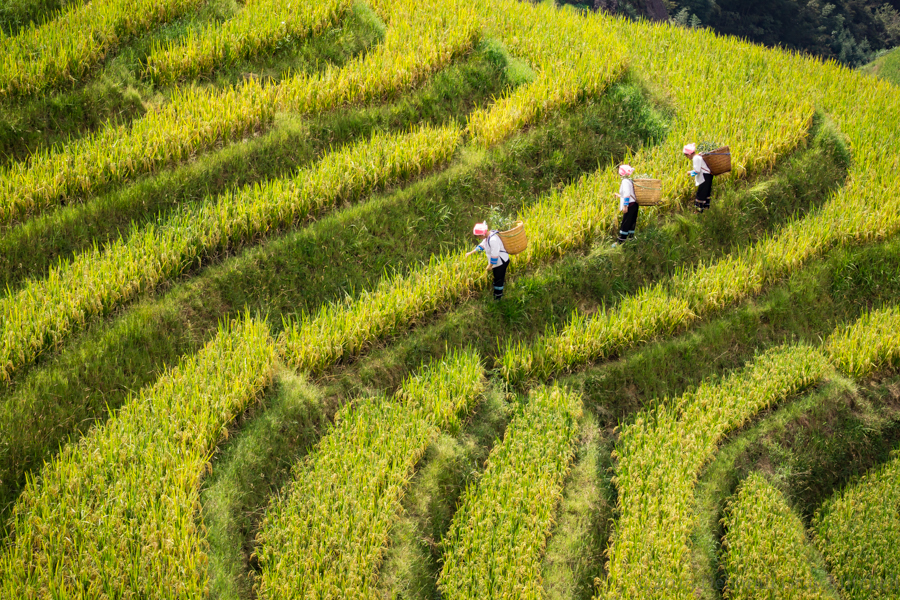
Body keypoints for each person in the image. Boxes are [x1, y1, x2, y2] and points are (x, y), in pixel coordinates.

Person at [465, 221, 510, 300]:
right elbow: (482, 246)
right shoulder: (488, 236)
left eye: (478, 236)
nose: (478, 238)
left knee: (499, 279)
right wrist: (471, 253)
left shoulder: (493, 239)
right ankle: (497, 292)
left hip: (501, 262)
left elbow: (495, 254)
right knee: (497, 278)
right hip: (497, 262)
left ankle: (498, 297)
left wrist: (490, 265)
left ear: (482, 234)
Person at [612, 164, 638, 246]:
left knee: (625, 223)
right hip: (634, 204)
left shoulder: (625, 181)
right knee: (631, 222)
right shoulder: (630, 180)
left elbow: (627, 194)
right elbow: (630, 193)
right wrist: (619, 196)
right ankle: (631, 240)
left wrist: (625, 205)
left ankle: (620, 242)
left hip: (629, 205)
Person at [684, 143, 713, 212]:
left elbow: (697, 171)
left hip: (705, 177)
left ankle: (698, 211)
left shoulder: (696, 158)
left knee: (701, 194)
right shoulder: (698, 156)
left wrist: (690, 173)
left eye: (686, 155)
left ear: (689, 154)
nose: (687, 157)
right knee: (706, 193)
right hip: (708, 176)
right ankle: (705, 209)